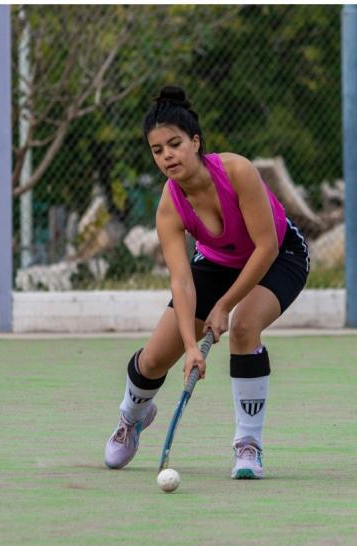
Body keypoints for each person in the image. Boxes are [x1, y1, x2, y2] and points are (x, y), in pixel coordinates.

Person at [104, 85, 309, 479]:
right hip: (216, 264)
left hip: (279, 256)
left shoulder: (236, 171)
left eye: (175, 144)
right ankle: (132, 417)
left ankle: (248, 446)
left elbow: (264, 246)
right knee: (152, 359)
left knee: (245, 327)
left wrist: (225, 306)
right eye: (157, 149)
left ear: (195, 142)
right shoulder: (169, 206)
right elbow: (182, 283)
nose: (167, 155)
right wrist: (188, 348)